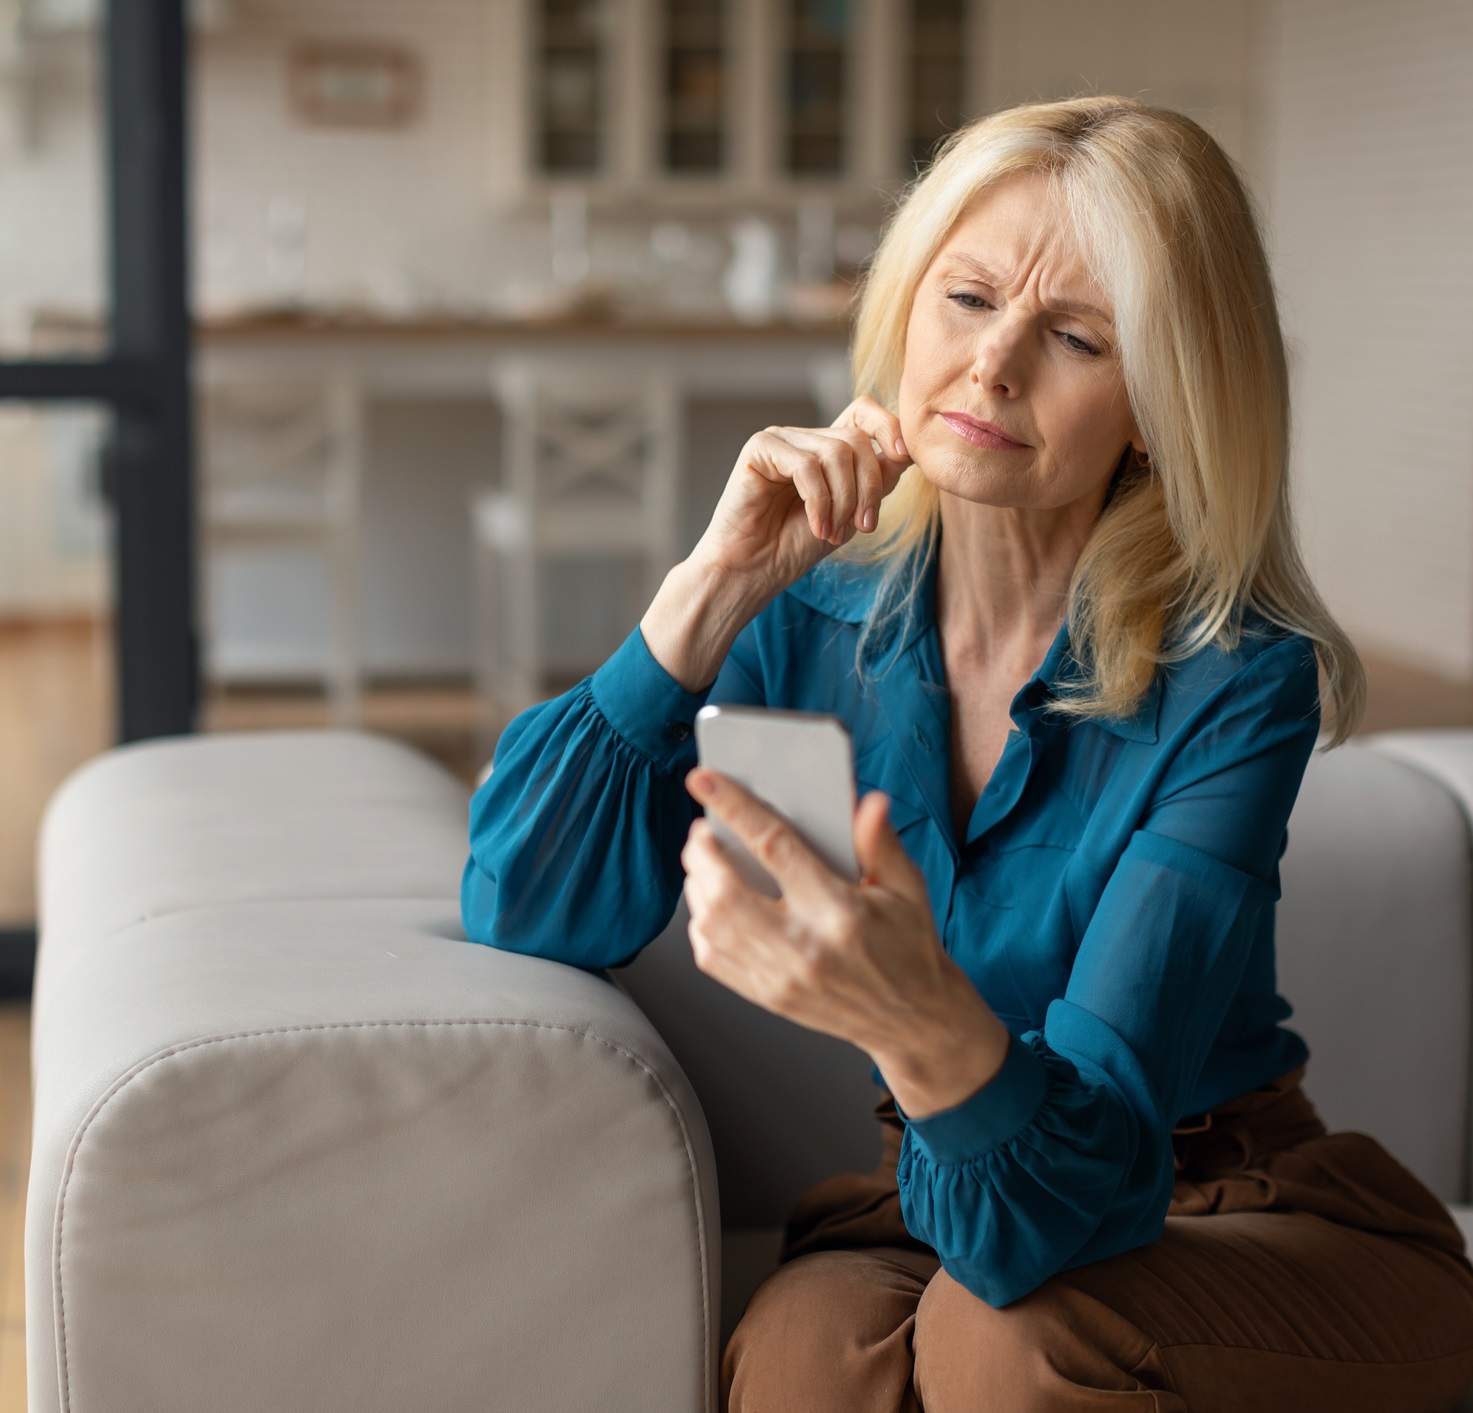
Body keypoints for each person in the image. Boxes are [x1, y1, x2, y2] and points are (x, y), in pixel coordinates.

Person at [462, 97, 1473, 1411]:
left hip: (1234, 1203)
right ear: (902, 311)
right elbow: (523, 901)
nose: (992, 365)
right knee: (804, 1344)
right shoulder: (802, 603)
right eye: (967, 297)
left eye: (1072, 336)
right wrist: (707, 588)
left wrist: (906, 1014)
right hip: (932, 1192)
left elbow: (1087, 1165)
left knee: (1013, 1333)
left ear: (1161, 403)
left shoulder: (1236, 678)